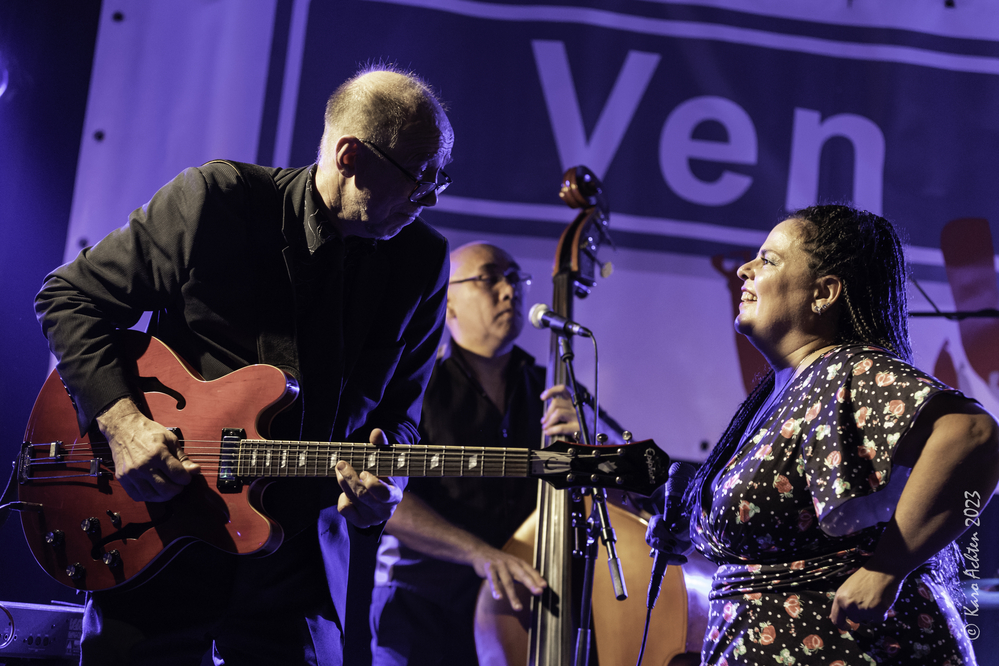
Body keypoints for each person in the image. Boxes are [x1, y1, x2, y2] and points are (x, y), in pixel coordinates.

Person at [34, 66, 454, 665]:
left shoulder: (423, 262)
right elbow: (69, 298)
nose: (432, 196)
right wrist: (123, 422)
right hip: (165, 527)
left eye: (443, 177)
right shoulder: (218, 200)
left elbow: (400, 419)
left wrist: (389, 482)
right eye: (421, 175)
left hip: (297, 567)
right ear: (350, 155)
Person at [647, 204, 999, 665]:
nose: (745, 270)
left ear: (823, 293)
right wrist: (689, 532)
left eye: (768, 260)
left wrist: (887, 567)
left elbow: (973, 434)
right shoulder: (789, 391)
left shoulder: (845, 367)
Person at [368, 241, 598, 665]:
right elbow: (387, 499)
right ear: (448, 305)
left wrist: (585, 449)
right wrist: (478, 552)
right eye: (488, 278)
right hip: (421, 611)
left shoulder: (549, 389)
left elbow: (596, 498)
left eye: (514, 278)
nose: (509, 290)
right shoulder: (414, 390)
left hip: (515, 618)